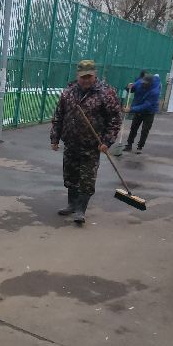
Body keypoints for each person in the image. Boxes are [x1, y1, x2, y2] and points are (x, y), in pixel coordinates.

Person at [50, 59, 122, 225]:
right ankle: (72, 204)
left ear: (95, 74)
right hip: (71, 143)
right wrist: (55, 138)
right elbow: (59, 115)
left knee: (87, 179)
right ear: (78, 75)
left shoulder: (105, 93)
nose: (86, 80)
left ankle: (80, 210)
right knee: (70, 176)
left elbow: (115, 119)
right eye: (83, 77)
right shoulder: (69, 92)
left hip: (92, 145)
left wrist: (107, 141)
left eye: (89, 76)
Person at [123, 71, 161, 154]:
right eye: (142, 82)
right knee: (133, 128)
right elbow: (131, 89)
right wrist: (128, 87)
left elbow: (146, 105)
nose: (143, 84)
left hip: (149, 111)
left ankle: (140, 147)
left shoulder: (154, 92)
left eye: (145, 83)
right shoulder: (140, 82)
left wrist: (131, 109)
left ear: (150, 84)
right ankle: (129, 145)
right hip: (138, 108)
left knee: (145, 130)